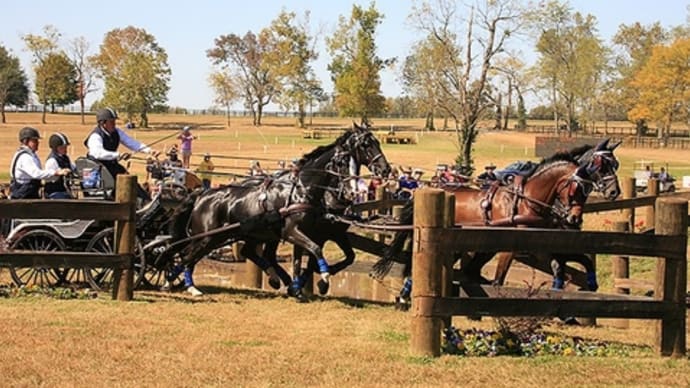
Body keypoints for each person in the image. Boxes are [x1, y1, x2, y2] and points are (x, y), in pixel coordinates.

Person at [84, 107, 159, 200]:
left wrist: (149, 150)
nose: (114, 124)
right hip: (99, 170)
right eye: (111, 122)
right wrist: (118, 155)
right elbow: (97, 153)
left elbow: (131, 142)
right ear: (103, 123)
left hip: (112, 166)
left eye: (114, 121)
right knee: (120, 187)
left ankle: (144, 202)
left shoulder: (117, 132)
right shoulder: (95, 136)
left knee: (131, 183)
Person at [9, 127, 71, 199]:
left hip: (29, 192)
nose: (37, 143)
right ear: (26, 141)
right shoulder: (25, 157)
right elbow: (36, 173)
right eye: (34, 141)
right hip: (23, 194)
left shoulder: (32, 155)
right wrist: (56, 172)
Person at [44, 133, 77, 199]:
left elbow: (73, 167)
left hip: (64, 190)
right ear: (55, 148)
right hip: (55, 192)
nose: (65, 149)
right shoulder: (52, 161)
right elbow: (51, 178)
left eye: (65, 147)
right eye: (62, 147)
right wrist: (61, 172)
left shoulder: (65, 158)